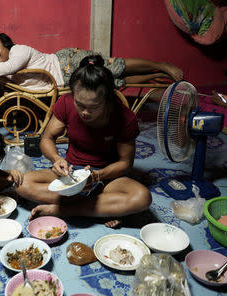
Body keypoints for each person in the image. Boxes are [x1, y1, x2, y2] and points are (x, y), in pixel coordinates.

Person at [15, 55, 152, 228]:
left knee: (142, 197)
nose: (85, 112)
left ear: (107, 99)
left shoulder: (123, 116)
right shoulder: (65, 103)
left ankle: (63, 210)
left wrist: (97, 176)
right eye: (80, 104)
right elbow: (47, 139)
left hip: (107, 178)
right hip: (71, 172)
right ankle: (99, 208)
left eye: (94, 107)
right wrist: (56, 159)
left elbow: (126, 163)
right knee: (21, 184)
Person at [0, 32, 183, 91]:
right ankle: (154, 76)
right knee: (114, 82)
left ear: (7, 44)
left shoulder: (18, 51)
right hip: (67, 79)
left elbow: (9, 67)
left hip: (68, 63)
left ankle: (160, 65)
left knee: (114, 66)